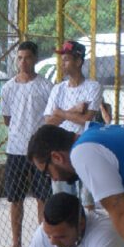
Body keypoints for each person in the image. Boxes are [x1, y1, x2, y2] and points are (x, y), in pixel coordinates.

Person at [0, 41, 53, 247]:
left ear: (35, 59)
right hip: (16, 148)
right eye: (19, 58)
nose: (23, 62)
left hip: (39, 149)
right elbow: (7, 118)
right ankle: (16, 245)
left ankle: (44, 244)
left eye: (27, 57)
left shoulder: (46, 86)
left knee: (42, 197)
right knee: (15, 198)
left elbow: (49, 117)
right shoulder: (8, 87)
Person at [43, 40, 101, 196]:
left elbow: (87, 120)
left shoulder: (92, 86)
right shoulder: (58, 89)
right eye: (62, 60)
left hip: (84, 145)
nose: (62, 64)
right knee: (63, 198)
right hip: (62, 149)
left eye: (67, 60)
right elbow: (48, 123)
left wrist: (60, 113)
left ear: (79, 61)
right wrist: (74, 110)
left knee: (87, 201)